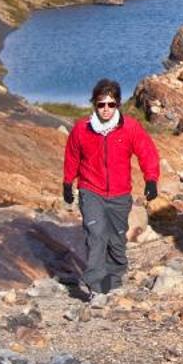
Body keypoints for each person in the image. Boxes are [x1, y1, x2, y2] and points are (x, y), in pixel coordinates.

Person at [61, 77, 160, 302]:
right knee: (96, 235)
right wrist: (68, 183)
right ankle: (96, 286)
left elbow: (147, 152)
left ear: (117, 104)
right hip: (90, 190)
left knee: (116, 240)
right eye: (101, 104)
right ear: (94, 104)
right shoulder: (81, 130)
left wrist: (151, 179)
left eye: (111, 104)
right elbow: (72, 157)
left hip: (119, 194)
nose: (106, 109)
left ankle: (113, 281)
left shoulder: (130, 128)